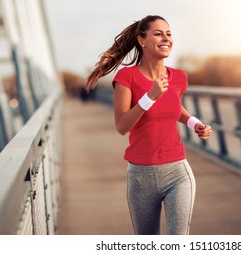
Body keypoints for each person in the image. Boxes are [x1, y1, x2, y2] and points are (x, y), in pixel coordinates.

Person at [85, 15, 212, 235]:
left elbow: (173, 108)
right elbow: (122, 125)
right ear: (141, 40)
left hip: (177, 172)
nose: (166, 38)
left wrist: (195, 123)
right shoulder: (127, 77)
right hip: (140, 177)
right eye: (158, 33)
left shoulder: (179, 77)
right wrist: (149, 97)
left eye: (169, 34)